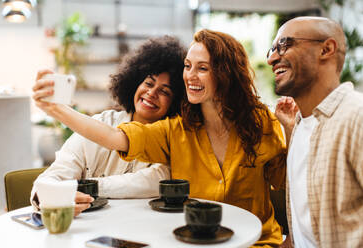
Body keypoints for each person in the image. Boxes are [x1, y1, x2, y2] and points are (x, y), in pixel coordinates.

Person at [33, 29, 287, 246]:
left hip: (256, 242)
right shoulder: (176, 130)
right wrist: (58, 109)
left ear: (225, 74)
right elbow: (114, 137)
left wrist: (291, 129)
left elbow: (289, 183)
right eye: (188, 66)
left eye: (202, 68)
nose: (190, 76)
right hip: (193, 243)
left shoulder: (261, 123)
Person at [31, 35, 186, 216]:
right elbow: (52, 176)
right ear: (134, 83)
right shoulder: (100, 124)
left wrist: (85, 186)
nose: (151, 93)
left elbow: (153, 181)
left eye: (164, 91)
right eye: (148, 83)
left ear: (176, 102)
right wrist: (51, 198)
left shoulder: (170, 139)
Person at [269, 16, 363, 247]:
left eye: (284, 45)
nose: (272, 58)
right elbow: (304, 229)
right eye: (271, 50)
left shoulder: (356, 117)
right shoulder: (300, 126)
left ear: (326, 49)